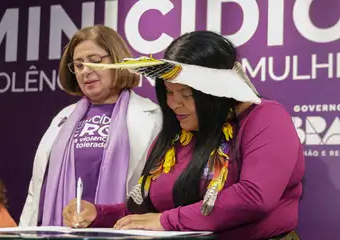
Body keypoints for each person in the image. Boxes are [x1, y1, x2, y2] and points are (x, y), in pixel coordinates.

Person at [62, 30, 304, 240]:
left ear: (216, 93)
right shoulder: (174, 137)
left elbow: (254, 197)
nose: (174, 104)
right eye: (169, 92)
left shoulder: (265, 117)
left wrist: (166, 221)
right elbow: (146, 213)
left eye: (186, 95)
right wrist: (98, 214)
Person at [19, 25, 162, 227]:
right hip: (61, 230)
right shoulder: (63, 118)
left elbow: (160, 191)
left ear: (117, 60)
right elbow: (37, 190)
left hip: (125, 230)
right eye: (78, 65)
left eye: (95, 61)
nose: (86, 71)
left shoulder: (153, 117)